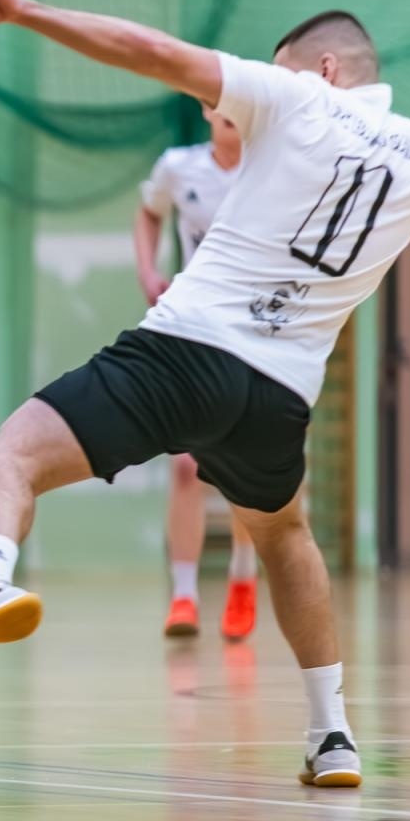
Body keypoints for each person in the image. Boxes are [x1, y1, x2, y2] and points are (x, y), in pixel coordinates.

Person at [0, 0, 410, 789]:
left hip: (184, 352)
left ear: (324, 70)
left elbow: (152, 52)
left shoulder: (295, 97)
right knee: (284, 536)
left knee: (2, 461)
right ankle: (332, 732)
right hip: (278, 397)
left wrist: (25, 11)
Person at [134, 107, 259, 640]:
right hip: (194, 325)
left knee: (244, 466)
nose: (230, 109)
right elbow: (147, 211)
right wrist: (147, 268)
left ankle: (242, 579)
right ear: (207, 110)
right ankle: (183, 595)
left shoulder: (270, 167)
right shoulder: (178, 168)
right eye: (219, 99)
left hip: (257, 331)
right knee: (186, 465)